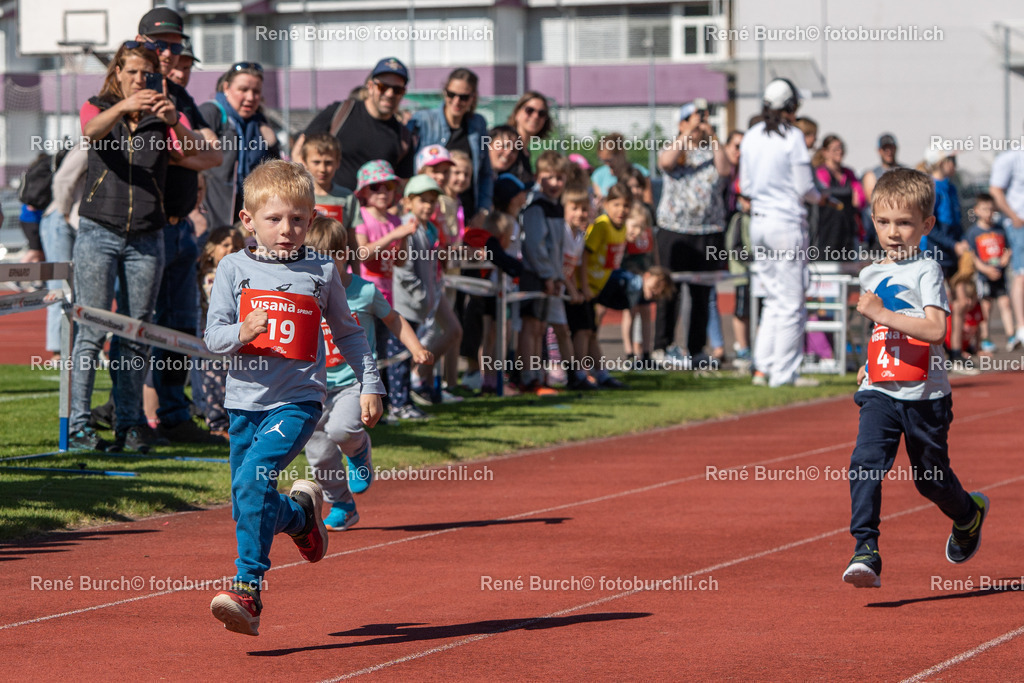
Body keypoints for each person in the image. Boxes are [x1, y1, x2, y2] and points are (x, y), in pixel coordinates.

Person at [204, 160, 383, 636]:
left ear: (312, 219)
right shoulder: (233, 267)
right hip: (244, 404)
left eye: (298, 220)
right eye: (275, 219)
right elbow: (212, 337)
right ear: (248, 221)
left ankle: (247, 590)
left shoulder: (322, 269)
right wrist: (241, 331)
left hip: (298, 401)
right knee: (249, 499)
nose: (287, 230)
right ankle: (301, 517)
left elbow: (350, 333)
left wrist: (370, 383)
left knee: (253, 481)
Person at [842, 168, 988, 589]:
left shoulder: (927, 270)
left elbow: (935, 330)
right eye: (884, 222)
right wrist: (870, 364)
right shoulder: (870, 273)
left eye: (904, 223)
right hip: (880, 392)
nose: (893, 233)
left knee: (930, 479)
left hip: (925, 396)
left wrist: (883, 315)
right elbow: (880, 331)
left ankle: (967, 514)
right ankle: (865, 549)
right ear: (873, 220)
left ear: (925, 226)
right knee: (866, 463)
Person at [68, 41, 200, 452]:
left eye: (147, 73)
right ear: (117, 72)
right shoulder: (98, 105)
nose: (141, 80)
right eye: (133, 72)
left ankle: (129, 423)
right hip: (98, 230)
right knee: (90, 328)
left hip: (147, 234)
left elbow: (202, 156)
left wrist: (175, 122)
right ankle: (78, 425)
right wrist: (124, 108)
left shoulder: (163, 117)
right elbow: (90, 130)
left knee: (135, 332)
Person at [304, 216, 432, 530]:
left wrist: (416, 348)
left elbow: (394, 319)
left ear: (345, 254)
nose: (325, 265)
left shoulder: (363, 291)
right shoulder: (304, 293)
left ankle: (359, 451)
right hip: (314, 386)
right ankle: (343, 504)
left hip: (353, 383)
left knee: (343, 430)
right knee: (318, 454)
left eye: (332, 256)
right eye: (316, 258)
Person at [739, 78, 826, 388]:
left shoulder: (750, 136)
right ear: (791, 106)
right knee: (790, 302)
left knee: (774, 299)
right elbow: (805, 187)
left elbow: (746, 186)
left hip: (759, 223)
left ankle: (764, 368)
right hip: (785, 223)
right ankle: (784, 373)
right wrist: (821, 197)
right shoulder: (793, 137)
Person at [654, 100, 731, 367]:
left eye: (702, 118)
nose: (699, 123)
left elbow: (725, 170)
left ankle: (697, 349)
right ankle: (662, 347)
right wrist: (688, 132)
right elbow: (666, 162)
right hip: (674, 231)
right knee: (668, 291)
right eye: (693, 118)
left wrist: (712, 135)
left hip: (707, 231)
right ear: (682, 123)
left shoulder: (712, 150)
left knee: (701, 293)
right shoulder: (675, 148)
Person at [297, 58, 415, 191]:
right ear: (370, 86)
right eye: (383, 87)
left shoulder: (403, 136)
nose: (389, 94)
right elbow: (300, 148)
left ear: (403, 93)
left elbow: (402, 184)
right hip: (328, 207)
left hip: (372, 210)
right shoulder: (341, 112)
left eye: (397, 89)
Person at [389, 175, 445, 416]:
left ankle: (405, 401)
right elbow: (404, 269)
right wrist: (422, 296)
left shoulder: (429, 229)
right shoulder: (408, 228)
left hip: (418, 305)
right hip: (404, 304)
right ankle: (399, 404)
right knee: (400, 355)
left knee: (407, 353)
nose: (428, 205)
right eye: (422, 200)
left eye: (432, 200)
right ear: (408, 202)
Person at [407, 67, 493, 221]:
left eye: (464, 97)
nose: (456, 101)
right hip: (432, 213)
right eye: (451, 94)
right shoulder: (424, 120)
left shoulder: (478, 124)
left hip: (466, 213)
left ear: (473, 97)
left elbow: (485, 172)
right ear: (444, 92)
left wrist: (483, 210)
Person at [200, 62, 280, 228]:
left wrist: (272, 143)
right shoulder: (211, 113)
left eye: (256, 92)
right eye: (243, 90)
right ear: (226, 88)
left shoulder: (258, 123)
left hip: (247, 218)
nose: (250, 97)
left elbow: (274, 172)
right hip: (211, 218)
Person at [519, 151, 566, 393]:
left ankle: (538, 374)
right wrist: (548, 275)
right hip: (534, 275)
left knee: (540, 327)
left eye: (560, 178)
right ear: (538, 177)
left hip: (549, 276)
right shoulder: (536, 207)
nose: (555, 183)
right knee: (532, 326)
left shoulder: (556, 207)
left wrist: (557, 276)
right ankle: (528, 377)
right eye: (549, 177)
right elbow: (535, 245)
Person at [194, 225, 245, 439]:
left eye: (236, 246)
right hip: (212, 338)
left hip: (236, 338)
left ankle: (235, 423)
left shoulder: (242, 275)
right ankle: (216, 424)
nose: (230, 249)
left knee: (234, 381)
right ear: (212, 249)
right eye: (224, 245)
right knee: (213, 381)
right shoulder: (206, 276)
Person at [582, 182, 634, 389]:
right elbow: (584, 256)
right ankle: (581, 373)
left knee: (592, 331)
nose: (621, 210)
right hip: (584, 287)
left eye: (626, 205)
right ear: (606, 204)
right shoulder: (602, 225)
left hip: (598, 287)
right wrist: (584, 286)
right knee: (584, 331)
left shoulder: (621, 229)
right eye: (616, 204)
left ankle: (601, 373)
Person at [39, 140, 88, 359]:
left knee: (79, 290)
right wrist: (65, 212)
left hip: (76, 224)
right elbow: (62, 179)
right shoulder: (91, 142)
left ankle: (77, 346)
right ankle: (58, 351)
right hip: (61, 222)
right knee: (59, 287)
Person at [965, 193, 1015, 353]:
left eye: (991, 210)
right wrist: (985, 269)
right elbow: (971, 255)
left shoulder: (1000, 229)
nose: (988, 213)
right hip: (984, 276)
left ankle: (1011, 336)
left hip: (1000, 274)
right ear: (977, 210)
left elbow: (1008, 248)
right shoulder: (973, 232)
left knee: (1005, 303)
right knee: (985, 307)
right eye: (984, 209)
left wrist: (1006, 258)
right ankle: (985, 338)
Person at [987, 136, 1024, 349]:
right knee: (1021, 275)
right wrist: (1015, 217)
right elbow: (995, 190)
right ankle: (1020, 327)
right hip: (1019, 225)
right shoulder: (1011, 158)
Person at [812, 134, 865, 260]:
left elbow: (860, 200)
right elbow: (825, 196)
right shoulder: (820, 172)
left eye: (841, 148)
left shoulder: (848, 173)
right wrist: (847, 195)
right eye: (835, 149)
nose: (839, 152)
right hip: (827, 230)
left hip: (848, 229)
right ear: (825, 152)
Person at [299, 133, 363, 238]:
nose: (322, 169)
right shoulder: (298, 195)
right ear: (304, 161)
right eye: (316, 162)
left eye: (328, 163)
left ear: (338, 162)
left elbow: (352, 239)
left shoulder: (347, 197)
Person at [861, 133, 902, 249]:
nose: (888, 151)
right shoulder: (872, 174)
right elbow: (873, 201)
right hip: (879, 234)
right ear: (879, 151)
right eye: (885, 149)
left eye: (891, 148)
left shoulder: (905, 172)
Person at [506, 91, 553, 185]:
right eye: (529, 110)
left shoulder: (526, 152)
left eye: (542, 113)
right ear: (517, 113)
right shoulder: (506, 144)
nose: (535, 116)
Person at [591, 132, 651, 201]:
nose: (607, 164)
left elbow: (648, 203)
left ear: (621, 152)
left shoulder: (640, 173)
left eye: (610, 160)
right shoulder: (598, 175)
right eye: (603, 160)